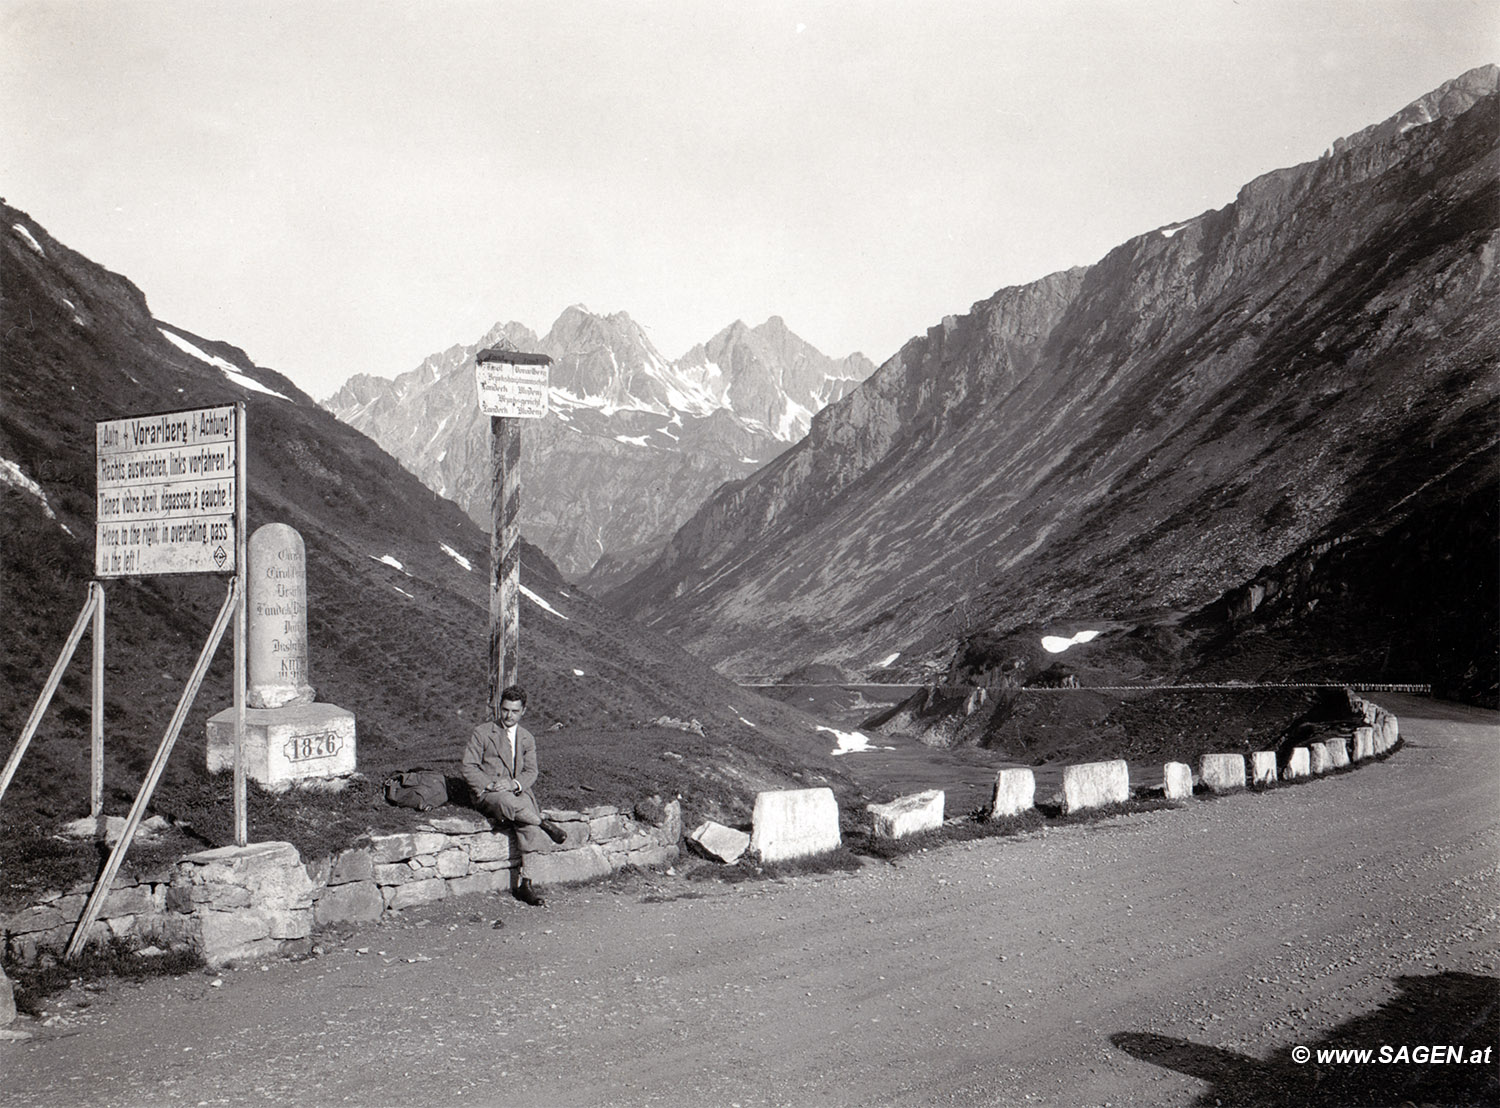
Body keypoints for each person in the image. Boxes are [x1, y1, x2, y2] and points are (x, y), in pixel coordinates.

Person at [461, 685, 566, 907]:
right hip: (489, 794)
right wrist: (489, 784)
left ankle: (526, 884)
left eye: (514, 711)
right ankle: (545, 824)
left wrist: (513, 783)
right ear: (500, 708)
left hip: (514, 789)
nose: (509, 716)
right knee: (512, 803)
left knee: (526, 818)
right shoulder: (482, 732)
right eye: (505, 710)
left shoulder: (527, 738)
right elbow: (469, 767)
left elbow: (531, 771)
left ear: (523, 711)